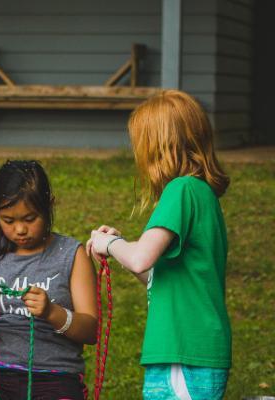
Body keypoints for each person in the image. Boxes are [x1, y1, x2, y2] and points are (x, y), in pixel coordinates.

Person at [87, 90, 231, 400]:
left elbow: (140, 258)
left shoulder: (181, 190)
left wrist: (109, 243)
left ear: (158, 147)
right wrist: (119, 245)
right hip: (183, 351)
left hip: (185, 352)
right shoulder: (200, 193)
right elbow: (155, 275)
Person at [0, 160, 98, 400]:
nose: (20, 230)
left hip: (57, 375)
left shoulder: (71, 255)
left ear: (49, 207)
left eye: (29, 218)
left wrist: (52, 312)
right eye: (8, 220)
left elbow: (90, 331)